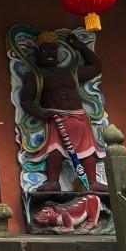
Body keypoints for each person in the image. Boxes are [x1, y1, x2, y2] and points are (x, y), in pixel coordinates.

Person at [20, 31, 107, 193]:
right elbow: (26, 101)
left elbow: (96, 68)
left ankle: (92, 181)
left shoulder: (71, 72)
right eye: (45, 50)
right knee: (56, 149)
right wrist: (41, 113)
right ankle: (53, 181)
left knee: (87, 151)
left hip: (80, 117)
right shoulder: (36, 76)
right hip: (57, 118)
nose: (50, 54)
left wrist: (81, 47)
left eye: (53, 50)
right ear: (37, 53)